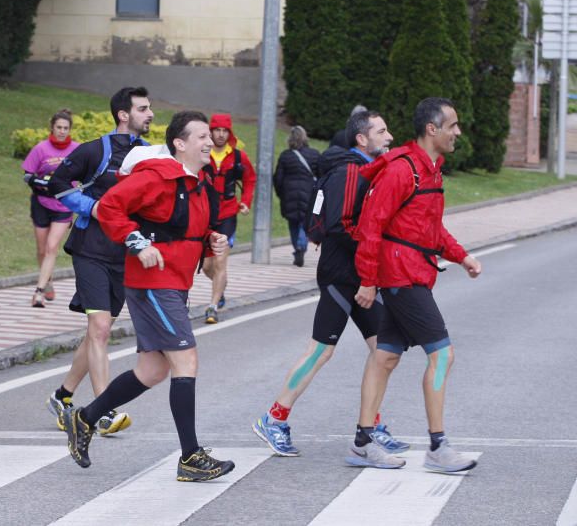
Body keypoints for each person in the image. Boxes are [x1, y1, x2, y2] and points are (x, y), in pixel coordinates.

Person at [62, 111, 235, 482]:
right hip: (154, 282)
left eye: (210, 136)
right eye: (202, 136)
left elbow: (183, 229)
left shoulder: (199, 183)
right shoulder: (157, 176)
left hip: (174, 281)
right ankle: (190, 457)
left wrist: (211, 241)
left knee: (152, 370)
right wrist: (136, 242)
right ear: (180, 143)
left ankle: (85, 418)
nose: (210, 142)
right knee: (185, 361)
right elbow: (109, 207)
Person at [253, 110, 409, 457]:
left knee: (384, 351)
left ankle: (369, 428)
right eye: (382, 132)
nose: (390, 137)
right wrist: (377, 254)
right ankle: (274, 418)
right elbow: (343, 225)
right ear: (361, 139)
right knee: (321, 351)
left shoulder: (363, 169)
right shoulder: (351, 171)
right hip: (343, 275)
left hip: (359, 276)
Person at [345, 98, 482, 474]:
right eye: (452, 125)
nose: (458, 132)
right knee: (442, 355)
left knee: (386, 356)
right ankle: (438, 446)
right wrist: (368, 281)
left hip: (412, 272)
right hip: (401, 276)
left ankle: (362, 443)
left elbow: (430, 229)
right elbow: (371, 226)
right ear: (432, 129)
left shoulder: (431, 170)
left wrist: (461, 256)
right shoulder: (402, 170)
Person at [45, 87, 153, 436]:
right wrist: (92, 208)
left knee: (96, 332)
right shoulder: (94, 150)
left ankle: (62, 397)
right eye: (143, 109)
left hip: (125, 253)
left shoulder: (150, 155)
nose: (150, 114)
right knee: (101, 329)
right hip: (90, 247)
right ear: (124, 114)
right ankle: (103, 410)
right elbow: (57, 184)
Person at [200, 113, 255, 324]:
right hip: (206, 214)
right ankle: (219, 288)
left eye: (225, 131)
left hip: (228, 214)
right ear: (211, 131)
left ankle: (212, 307)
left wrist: (245, 202)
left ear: (229, 132)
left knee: (220, 261)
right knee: (206, 265)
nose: (221, 135)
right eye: (217, 130)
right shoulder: (203, 153)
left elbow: (250, 179)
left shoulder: (239, 157)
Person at [22, 109, 79, 307]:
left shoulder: (76, 149)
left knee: (51, 247)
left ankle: (38, 292)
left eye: (66, 128)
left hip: (64, 204)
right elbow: (27, 175)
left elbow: (86, 173)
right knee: (41, 249)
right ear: (52, 128)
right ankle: (48, 281)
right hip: (41, 203)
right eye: (59, 127)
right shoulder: (41, 149)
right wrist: (40, 181)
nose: (62, 131)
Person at [273, 126, 320, 267]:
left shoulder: (285, 156)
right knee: (304, 223)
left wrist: (281, 194)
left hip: (289, 194)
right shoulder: (314, 154)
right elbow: (321, 175)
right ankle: (301, 246)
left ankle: (297, 247)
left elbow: (278, 179)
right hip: (308, 194)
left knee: (293, 223)